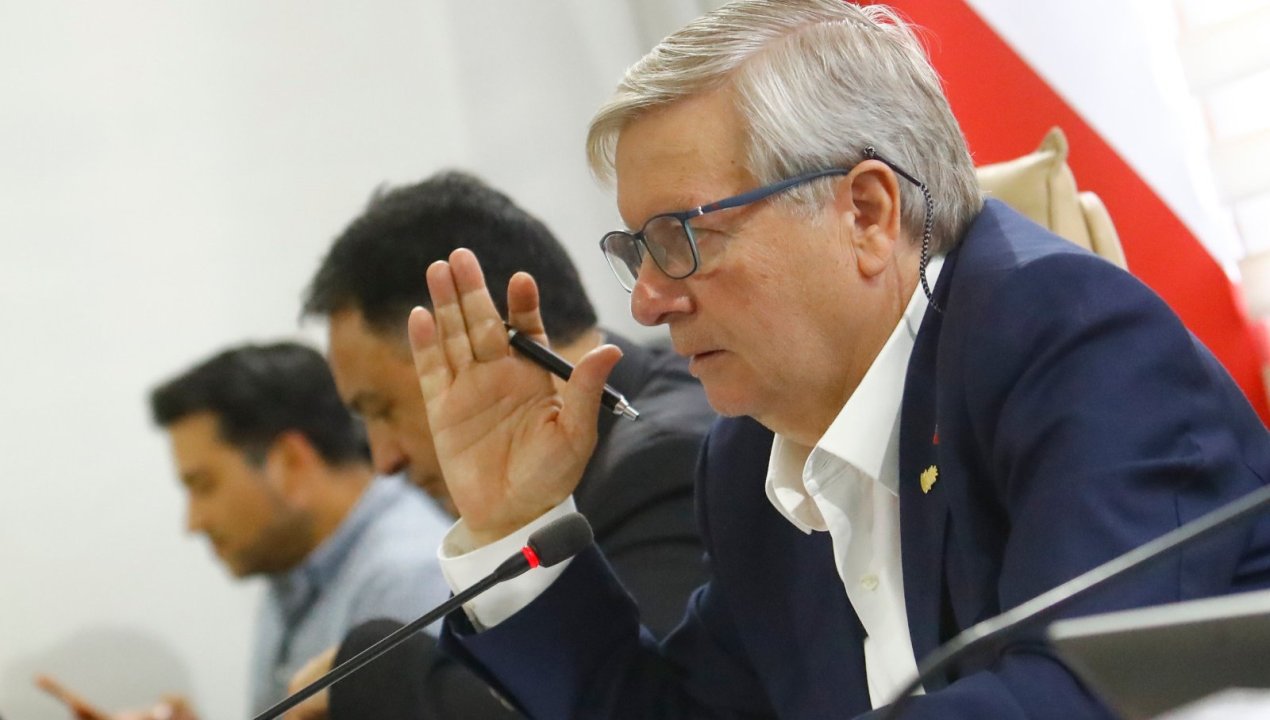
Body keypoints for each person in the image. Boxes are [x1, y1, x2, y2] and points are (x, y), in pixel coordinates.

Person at [407, 1, 1270, 718]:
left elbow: (1080, 696)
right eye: (638, 252)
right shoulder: (748, 461)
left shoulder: (1072, 341)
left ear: (866, 212)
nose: (647, 304)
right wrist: (511, 524)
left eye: (682, 238)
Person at [293, 170, 716, 718]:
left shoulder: (666, 463)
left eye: (382, 409)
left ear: (484, 337)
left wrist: (375, 676)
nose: (384, 460)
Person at [147, 342, 451, 717]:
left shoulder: (407, 579)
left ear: (290, 462)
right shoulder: (290, 558)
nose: (193, 523)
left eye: (204, 486)